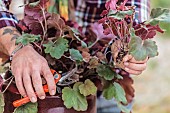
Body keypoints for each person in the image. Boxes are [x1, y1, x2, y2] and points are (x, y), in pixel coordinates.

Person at [0, 0, 149, 111]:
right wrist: (19, 48)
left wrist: (128, 47)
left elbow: (133, 15)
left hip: (104, 87)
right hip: (31, 91)